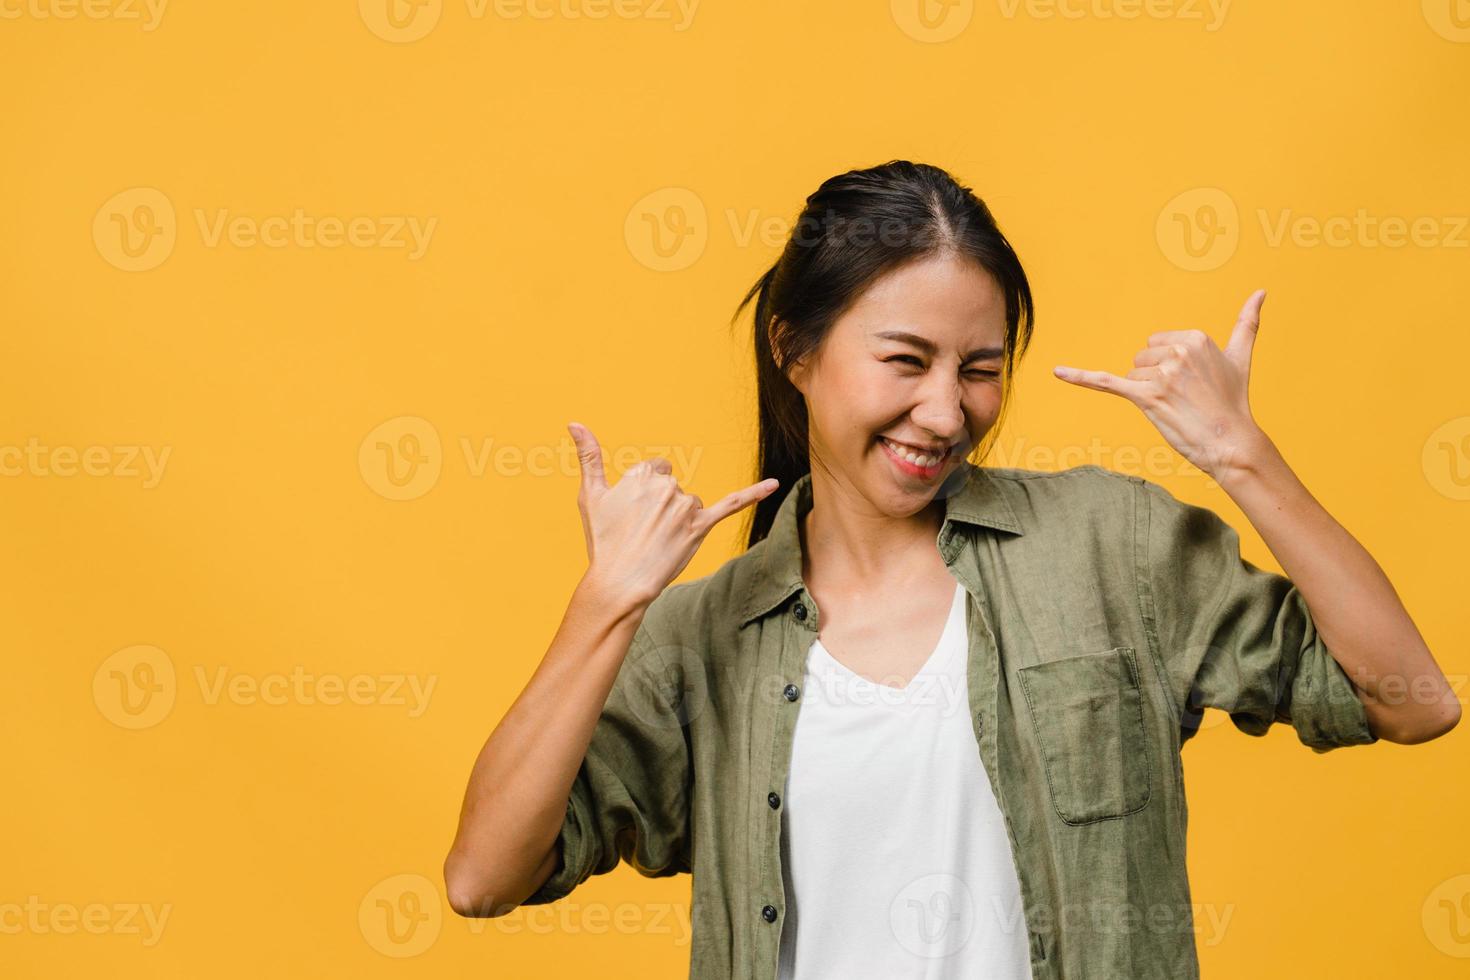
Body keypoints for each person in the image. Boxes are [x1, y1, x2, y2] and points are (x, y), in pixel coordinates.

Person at [441, 160, 1459, 979]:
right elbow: (483, 876)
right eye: (905, 359)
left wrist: (1246, 456)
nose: (945, 411)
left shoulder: (1111, 546)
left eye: (980, 368)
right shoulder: (706, 636)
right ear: (794, 352)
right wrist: (606, 606)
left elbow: (1413, 699)